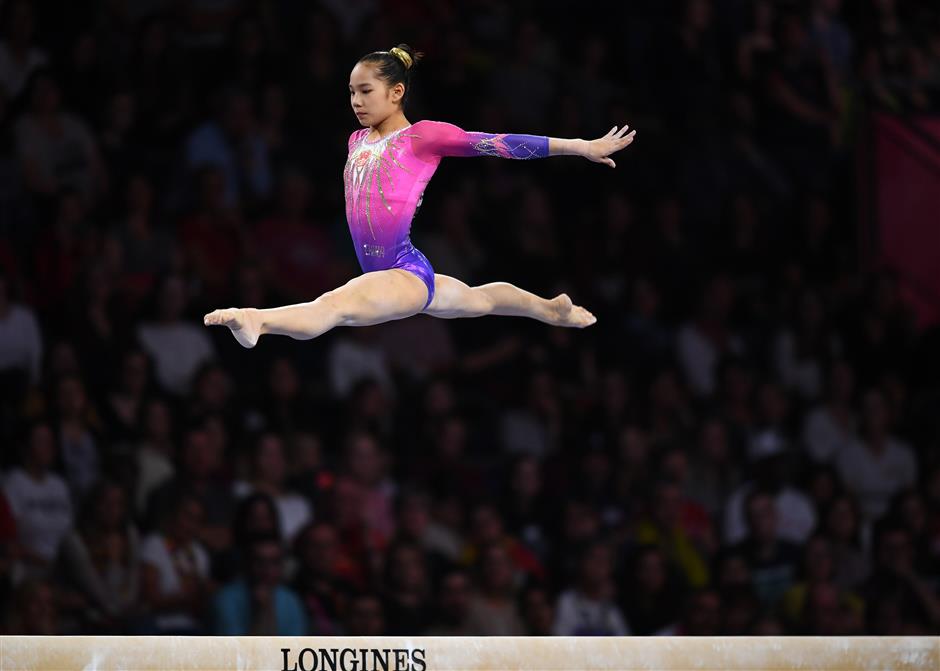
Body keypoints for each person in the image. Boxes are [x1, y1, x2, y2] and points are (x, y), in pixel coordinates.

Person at [205, 44, 635, 347]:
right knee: (479, 299)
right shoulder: (357, 140)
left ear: (397, 93)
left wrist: (580, 146)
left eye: (366, 91)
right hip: (397, 270)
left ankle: (257, 319)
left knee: (334, 306)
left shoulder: (422, 136)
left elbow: (498, 142)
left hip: (401, 271)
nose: (356, 100)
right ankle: (548, 309)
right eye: (352, 91)